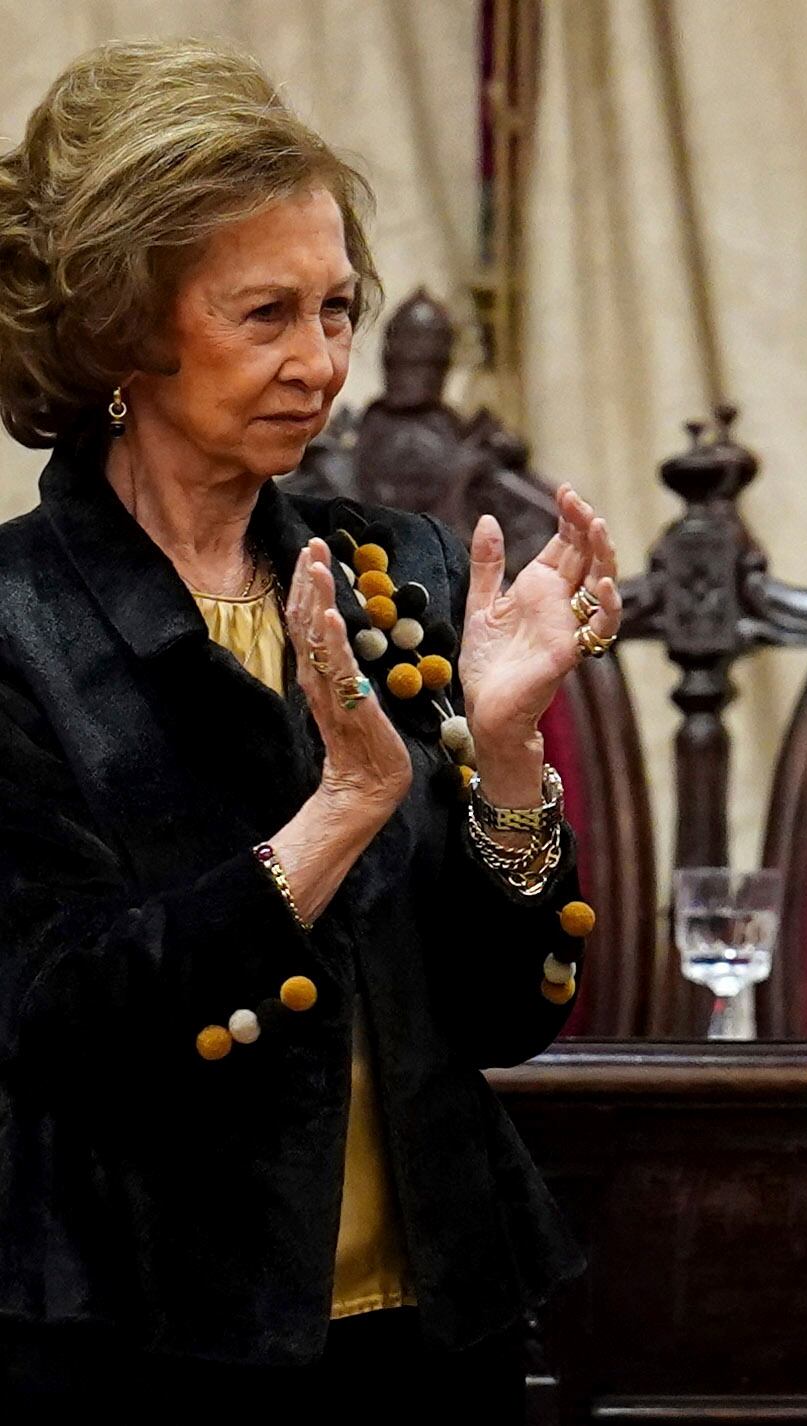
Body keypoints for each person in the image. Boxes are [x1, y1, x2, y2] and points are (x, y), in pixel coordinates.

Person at [0, 41, 624, 1417]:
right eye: (266, 314)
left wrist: (506, 759)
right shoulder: (17, 622)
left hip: (430, 1341)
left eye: (337, 307)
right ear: (121, 329)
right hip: (140, 1345)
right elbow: (52, 1021)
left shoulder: (395, 576)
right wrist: (337, 813)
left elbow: (503, 1016)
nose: (323, 362)